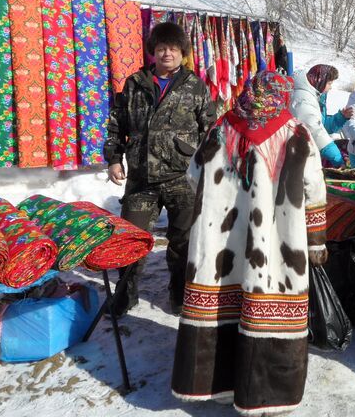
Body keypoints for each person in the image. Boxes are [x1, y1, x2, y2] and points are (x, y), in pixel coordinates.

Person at [172, 71, 328, 414]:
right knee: (267, 304)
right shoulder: (295, 133)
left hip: (218, 245)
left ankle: (217, 385)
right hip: (276, 245)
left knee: (218, 305)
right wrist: (316, 240)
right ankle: (267, 394)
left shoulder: (222, 128)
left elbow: (193, 174)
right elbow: (315, 190)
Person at [103, 22, 216, 316]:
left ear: (183, 53)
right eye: (162, 48)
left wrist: (211, 170)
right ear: (154, 51)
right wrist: (114, 159)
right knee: (131, 239)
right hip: (142, 179)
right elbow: (116, 125)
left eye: (174, 48)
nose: (167, 53)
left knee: (184, 242)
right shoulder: (135, 83)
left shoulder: (195, 86)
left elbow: (211, 131)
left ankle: (180, 294)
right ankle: (125, 294)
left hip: (182, 178)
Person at [290, 64, 352, 167]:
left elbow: (321, 124)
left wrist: (340, 118)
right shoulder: (303, 99)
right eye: (329, 83)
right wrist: (336, 157)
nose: (330, 87)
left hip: (307, 154)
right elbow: (315, 131)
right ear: (320, 80)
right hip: (298, 158)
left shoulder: (312, 95)